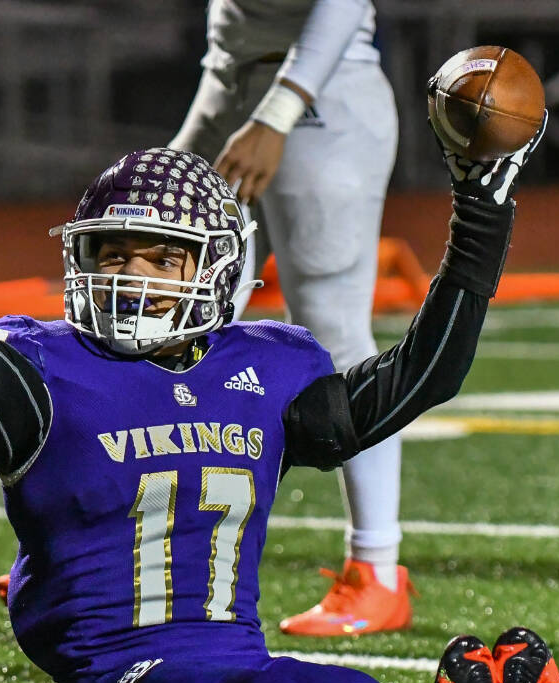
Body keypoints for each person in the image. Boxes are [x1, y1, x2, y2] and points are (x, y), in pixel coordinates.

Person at [0, 45, 559, 683]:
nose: (135, 274)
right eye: (116, 254)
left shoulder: (265, 369)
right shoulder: (47, 373)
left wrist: (482, 214)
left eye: (163, 258)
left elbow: (423, 378)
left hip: (242, 663)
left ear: (215, 270)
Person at [169, 0, 412, 636]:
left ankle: (378, 569)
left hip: (319, 90)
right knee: (166, 313)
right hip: (228, 76)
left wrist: (277, 113)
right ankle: (109, 547)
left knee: (333, 335)